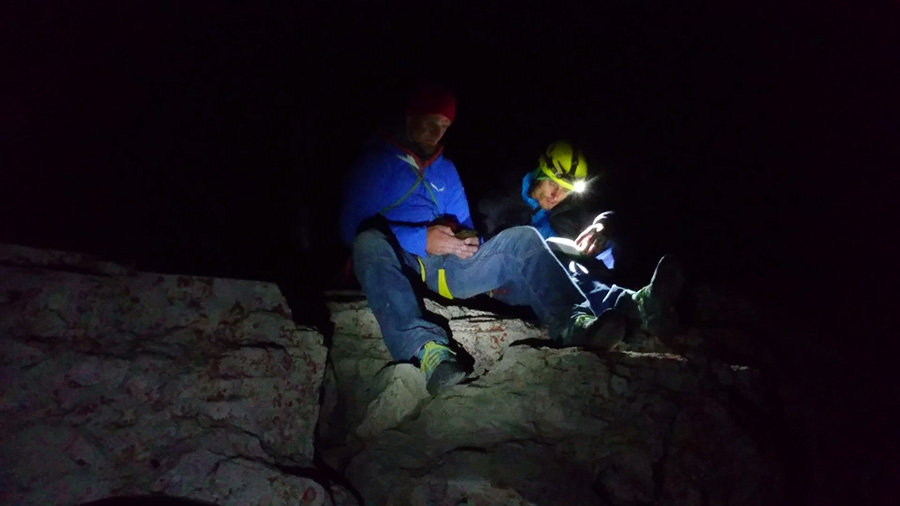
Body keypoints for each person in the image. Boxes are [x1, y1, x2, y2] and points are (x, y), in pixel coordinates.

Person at [338, 83, 626, 396]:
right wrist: (422, 238)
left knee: (523, 239)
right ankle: (428, 352)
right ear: (410, 117)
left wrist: (467, 241)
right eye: (431, 122)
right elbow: (349, 228)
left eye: (444, 126)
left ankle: (573, 322)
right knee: (367, 239)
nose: (437, 133)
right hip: (395, 258)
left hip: (446, 267)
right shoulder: (375, 162)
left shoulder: (445, 171)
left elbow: (467, 225)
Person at [475, 141, 683, 340]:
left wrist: (603, 225)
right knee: (557, 262)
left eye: (565, 189)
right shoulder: (502, 200)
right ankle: (627, 309)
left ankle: (641, 307)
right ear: (539, 172)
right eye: (552, 183)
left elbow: (614, 216)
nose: (556, 194)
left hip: (552, 287)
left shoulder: (566, 214)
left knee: (593, 254)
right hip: (504, 285)